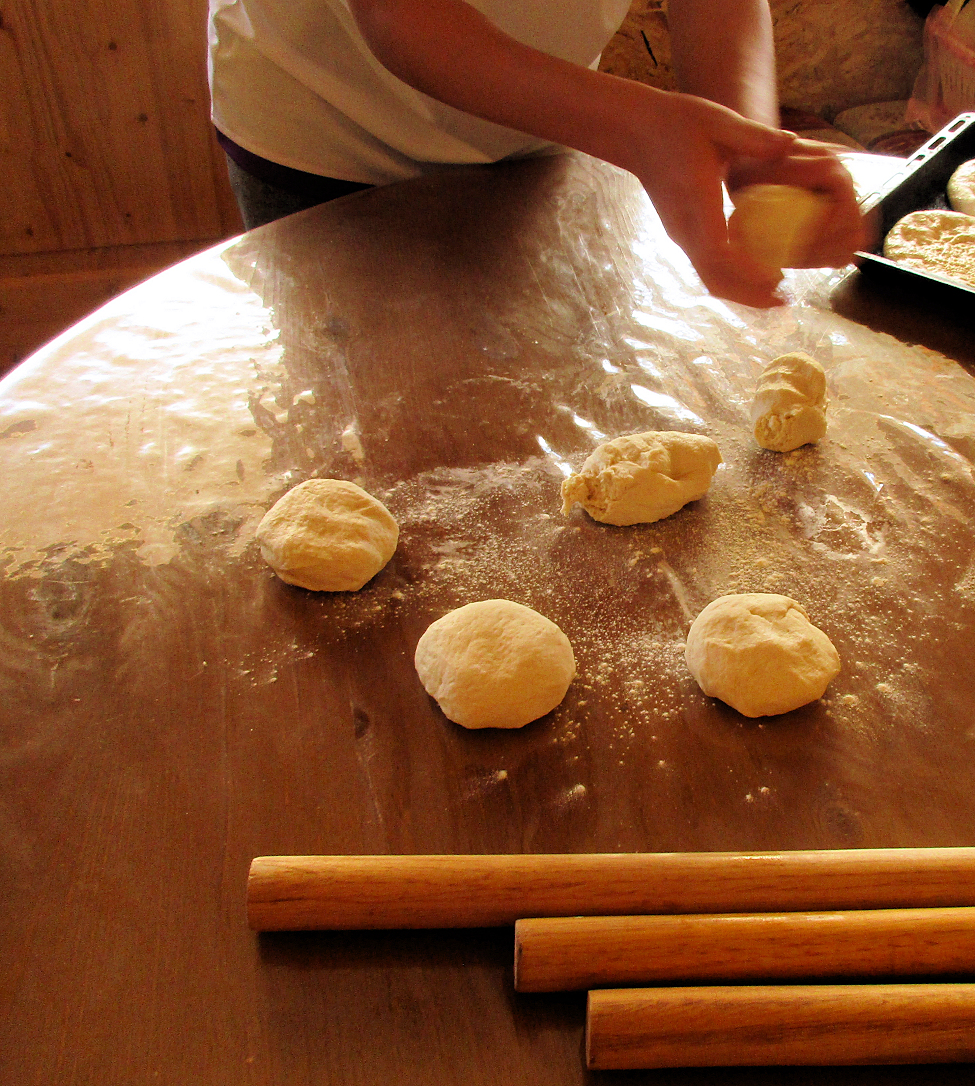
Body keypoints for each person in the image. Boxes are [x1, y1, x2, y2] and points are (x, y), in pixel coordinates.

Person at [208, 0, 866, 308]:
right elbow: (404, 16)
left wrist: (749, 144)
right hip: (328, 116)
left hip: (543, 108)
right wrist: (638, 130)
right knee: (353, 430)